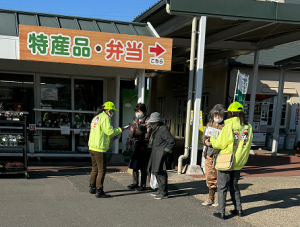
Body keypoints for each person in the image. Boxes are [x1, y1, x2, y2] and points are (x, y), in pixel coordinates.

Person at [205, 102, 253, 219]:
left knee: (222, 187)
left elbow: (220, 143)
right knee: (234, 186)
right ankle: (239, 209)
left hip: (227, 160)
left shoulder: (229, 125)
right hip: (238, 162)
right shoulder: (248, 127)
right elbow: (248, 145)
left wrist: (210, 141)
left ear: (231, 113)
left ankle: (221, 212)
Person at [88, 101, 127, 198]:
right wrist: (120, 129)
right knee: (102, 170)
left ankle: (92, 187)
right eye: (112, 111)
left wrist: (110, 138)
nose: (112, 113)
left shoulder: (96, 117)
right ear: (108, 110)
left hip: (92, 146)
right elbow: (109, 131)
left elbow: (100, 133)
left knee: (95, 168)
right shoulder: (105, 117)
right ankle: (99, 191)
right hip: (99, 148)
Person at [146, 112, 175, 200]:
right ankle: (160, 190)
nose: (151, 124)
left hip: (161, 155)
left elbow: (171, 141)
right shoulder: (157, 129)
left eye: (153, 122)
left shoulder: (163, 129)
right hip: (156, 154)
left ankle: (164, 193)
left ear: (158, 122)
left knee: (161, 173)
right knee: (156, 172)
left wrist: (165, 152)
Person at [201, 104, 225, 206]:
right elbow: (204, 136)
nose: (217, 117)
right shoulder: (210, 123)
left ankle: (220, 200)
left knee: (220, 177)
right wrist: (205, 141)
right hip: (209, 153)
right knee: (210, 176)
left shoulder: (226, 125)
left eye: (219, 115)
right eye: (216, 115)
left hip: (220, 154)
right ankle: (211, 198)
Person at [127, 103, 152, 191]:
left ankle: (143, 184)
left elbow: (148, 135)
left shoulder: (148, 121)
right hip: (136, 145)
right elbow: (130, 133)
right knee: (135, 165)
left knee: (143, 166)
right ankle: (135, 183)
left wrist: (140, 134)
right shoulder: (135, 120)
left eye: (139, 111)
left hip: (145, 146)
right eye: (136, 111)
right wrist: (134, 133)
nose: (138, 113)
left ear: (144, 111)